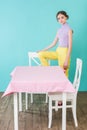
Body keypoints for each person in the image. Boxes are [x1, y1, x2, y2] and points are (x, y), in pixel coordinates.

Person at [38, 10, 73, 77]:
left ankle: (64, 87)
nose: (60, 20)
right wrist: (42, 50)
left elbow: (70, 46)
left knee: (63, 74)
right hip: (58, 51)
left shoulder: (69, 30)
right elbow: (53, 43)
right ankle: (49, 72)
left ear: (66, 17)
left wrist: (66, 60)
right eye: (58, 18)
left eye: (62, 17)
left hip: (64, 53)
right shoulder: (59, 30)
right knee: (41, 54)